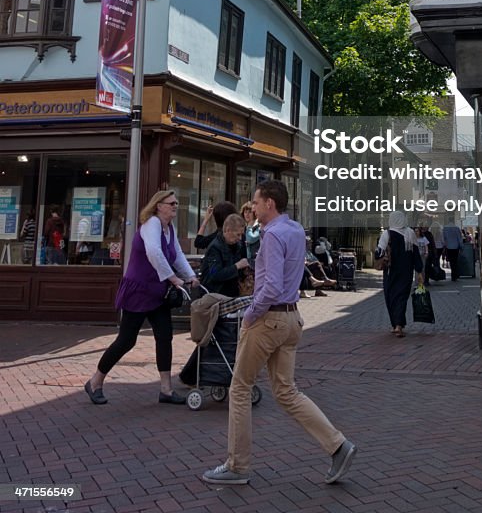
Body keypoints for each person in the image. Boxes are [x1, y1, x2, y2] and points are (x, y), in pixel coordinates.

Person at [203, 179, 356, 487]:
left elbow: (270, 285)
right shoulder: (296, 230)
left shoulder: (272, 235)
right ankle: (338, 445)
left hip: (269, 320)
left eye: (256, 202)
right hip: (291, 319)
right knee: (286, 391)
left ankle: (238, 465)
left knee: (240, 388)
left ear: (269, 203)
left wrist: (250, 314)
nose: (253, 207)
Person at [84, 189, 199, 405]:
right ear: (159, 205)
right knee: (126, 340)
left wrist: (191, 276)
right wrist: (175, 279)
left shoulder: (169, 228)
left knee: (164, 336)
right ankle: (95, 381)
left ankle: (166, 389)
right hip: (139, 290)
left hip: (158, 292)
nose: (175, 206)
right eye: (171, 203)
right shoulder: (151, 224)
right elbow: (153, 252)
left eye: (176, 203)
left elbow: (178, 255)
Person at [376, 211, 423, 337]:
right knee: (402, 297)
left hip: (391, 272)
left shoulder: (387, 234)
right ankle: (398, 325)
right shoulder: (410, 233)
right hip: (406, 272)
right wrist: (419, 271)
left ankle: (397, 325)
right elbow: (416, 254)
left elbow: (379, 252)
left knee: (390, 296)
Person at [200, 214, 250, 298]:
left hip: (232, 293)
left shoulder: (237, 245)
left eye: (241, 234)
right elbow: (215, 274)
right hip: (216, 295)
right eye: (238, 234)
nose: (240, 238)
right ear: (228, 230)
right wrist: (237, 266)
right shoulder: (215, 248)